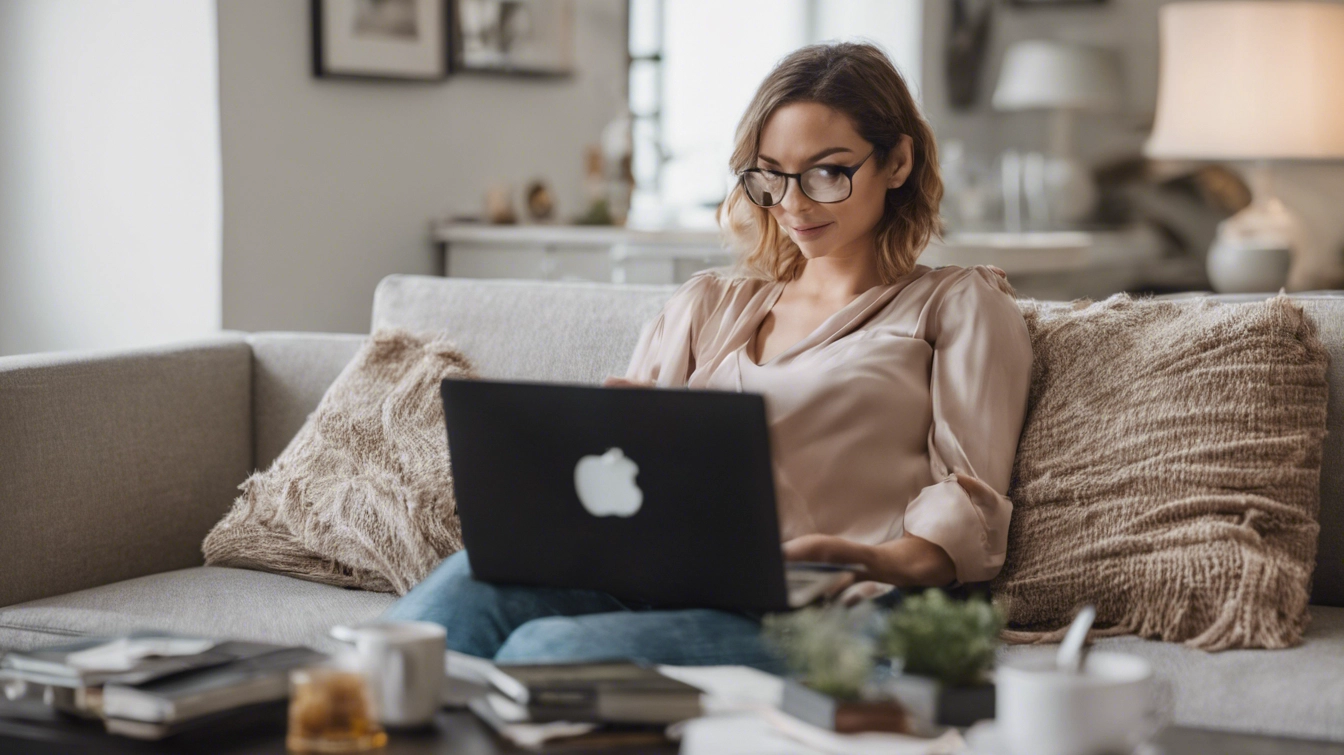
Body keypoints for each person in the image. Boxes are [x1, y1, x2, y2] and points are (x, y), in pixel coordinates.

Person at [382, 42, 1033, 672]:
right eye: (771, 176)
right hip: (677, 583)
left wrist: (860, 557)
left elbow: (970, 514)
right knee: (456, 592)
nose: (794, 203)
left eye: (828, 171)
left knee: (546, 654)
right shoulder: (706, 308)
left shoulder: (957, 304)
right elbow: (615, 490)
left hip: (835, 614)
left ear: (897, 163)